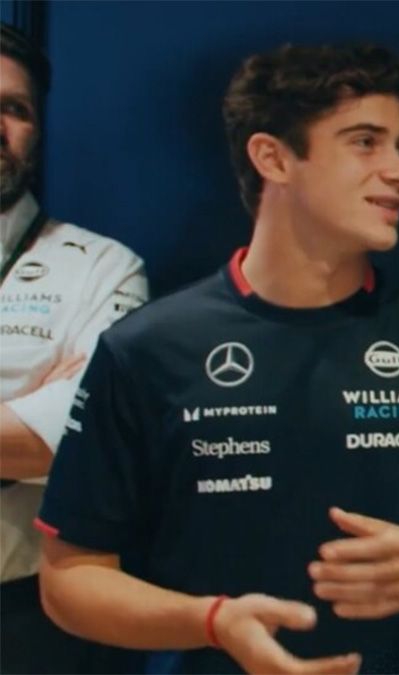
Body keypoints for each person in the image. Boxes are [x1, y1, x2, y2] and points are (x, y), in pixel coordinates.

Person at [36, 42, 399, 674]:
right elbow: (69, 581)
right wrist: (213, 622)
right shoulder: (148, 349)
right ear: (273, 157)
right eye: (365, 143)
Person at [0, 21, 148, 674]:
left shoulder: (103, 269)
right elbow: (27, 439)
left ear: (36, 132)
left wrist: (37, 429)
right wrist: (20, 416)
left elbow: (70, 442)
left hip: (27, 620)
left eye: (15, 108)